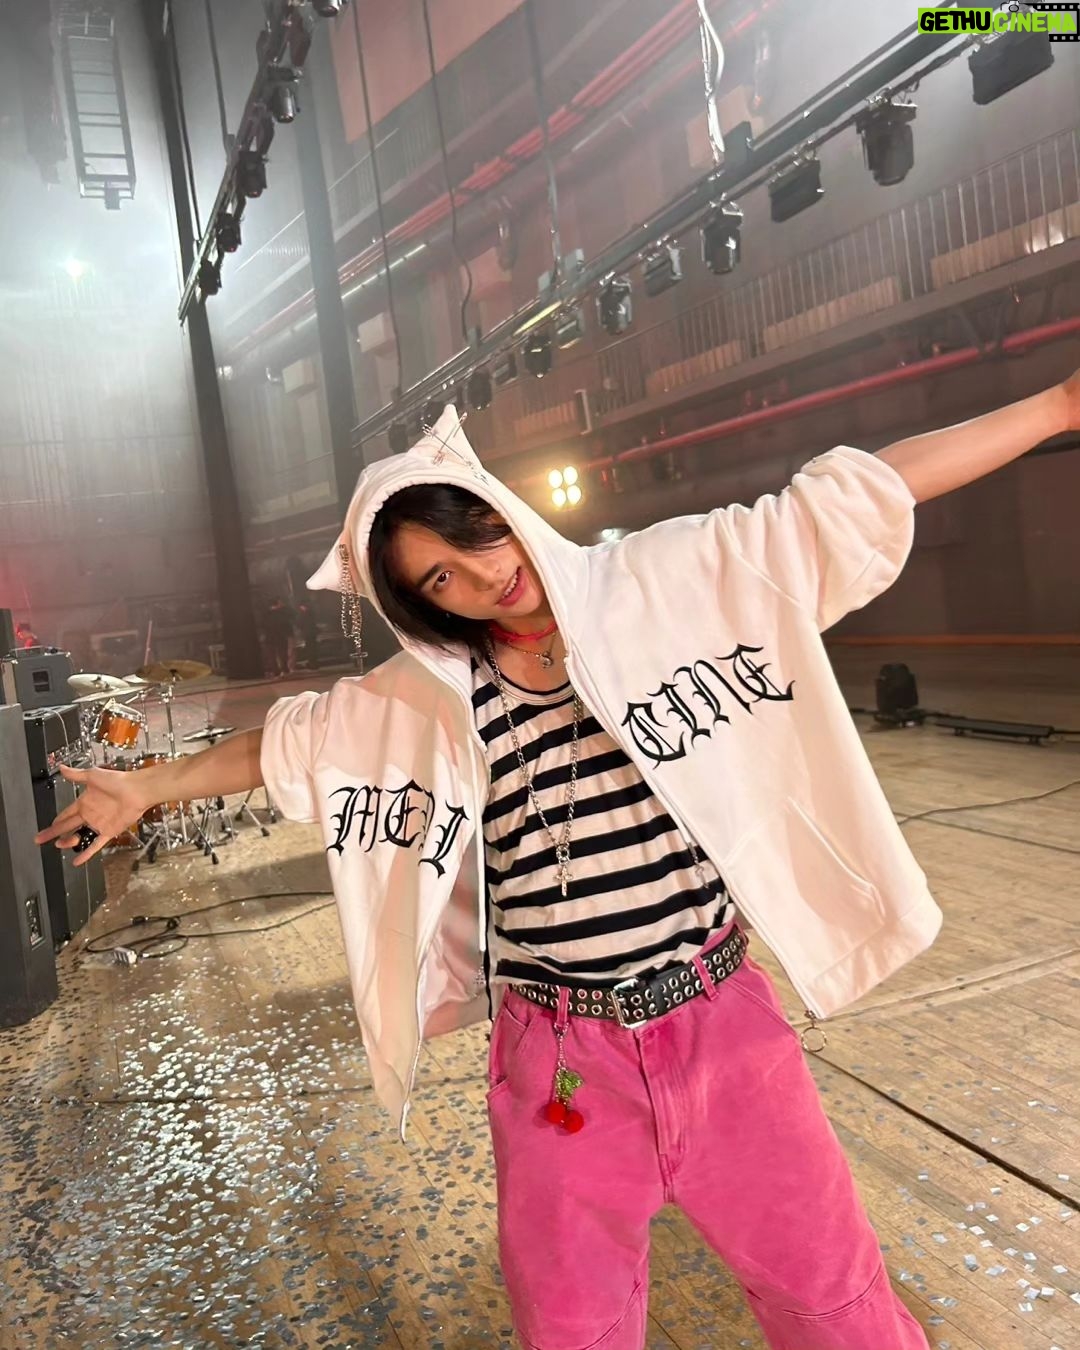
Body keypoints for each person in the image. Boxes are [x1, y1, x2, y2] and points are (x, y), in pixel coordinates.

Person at [38, 372, 1080, 1350]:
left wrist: (1057, 405)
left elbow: (855, 495)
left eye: (475, 534)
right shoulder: (428, 701)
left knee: (836, 1301)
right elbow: (287, 741)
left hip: (723, 1028)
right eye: (441, 578)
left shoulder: (671, 583)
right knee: (574, 1330)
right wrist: (147, 785)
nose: (484, 575)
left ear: (502, 507)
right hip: (560, 1066)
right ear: (421, 603)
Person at [262, 597, 295, 677]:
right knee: (282, 654)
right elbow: (286, 624)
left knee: (271, 656)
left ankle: (275, 671)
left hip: (269, 637)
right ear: (277, 604)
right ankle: (284, 669)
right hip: (281, 636)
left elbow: (262, 625)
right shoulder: (282, 614)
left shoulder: (266, 614)